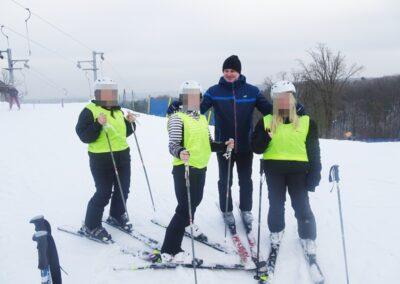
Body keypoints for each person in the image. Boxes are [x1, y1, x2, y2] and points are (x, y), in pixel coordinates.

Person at [160, 80, 234, 262]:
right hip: (184, 168)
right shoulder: (177, 118)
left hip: (201, 168)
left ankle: (184, 226)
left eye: (196, 96)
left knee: (194, 203)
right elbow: (173, 145)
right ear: (182, 98)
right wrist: (180, 152)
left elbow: (208, 144)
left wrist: (224, 145)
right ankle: (169, 249)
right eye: (188, 96)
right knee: (184, 209)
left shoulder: (202, 119)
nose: (192, 100)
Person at [251, 80, 321, 254]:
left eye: (286, 97)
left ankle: (307, 237)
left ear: (293, 98)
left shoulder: (307, 122)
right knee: (275, 204)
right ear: (274, 101)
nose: (283, 101)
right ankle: (276, 231)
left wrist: (315, 174)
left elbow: (314, 152)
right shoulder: (266, 120)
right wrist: (267, 136)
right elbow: (256, 148)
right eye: (278, 98)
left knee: (301, 205)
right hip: (274, 171)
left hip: (299, 172)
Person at [75, 77, 136, 242]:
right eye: (107, 93)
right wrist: (97, 123)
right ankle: (90, 225)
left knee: (123, 189)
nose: (111, 96)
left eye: (113, 92)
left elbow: (123, 134)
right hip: (101, 159)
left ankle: (116, 215)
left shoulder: (118, 111)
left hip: (122, 156)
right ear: (98, 94)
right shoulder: (90, 111)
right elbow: (84, 136)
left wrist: (130, 123)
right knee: (103, 192)